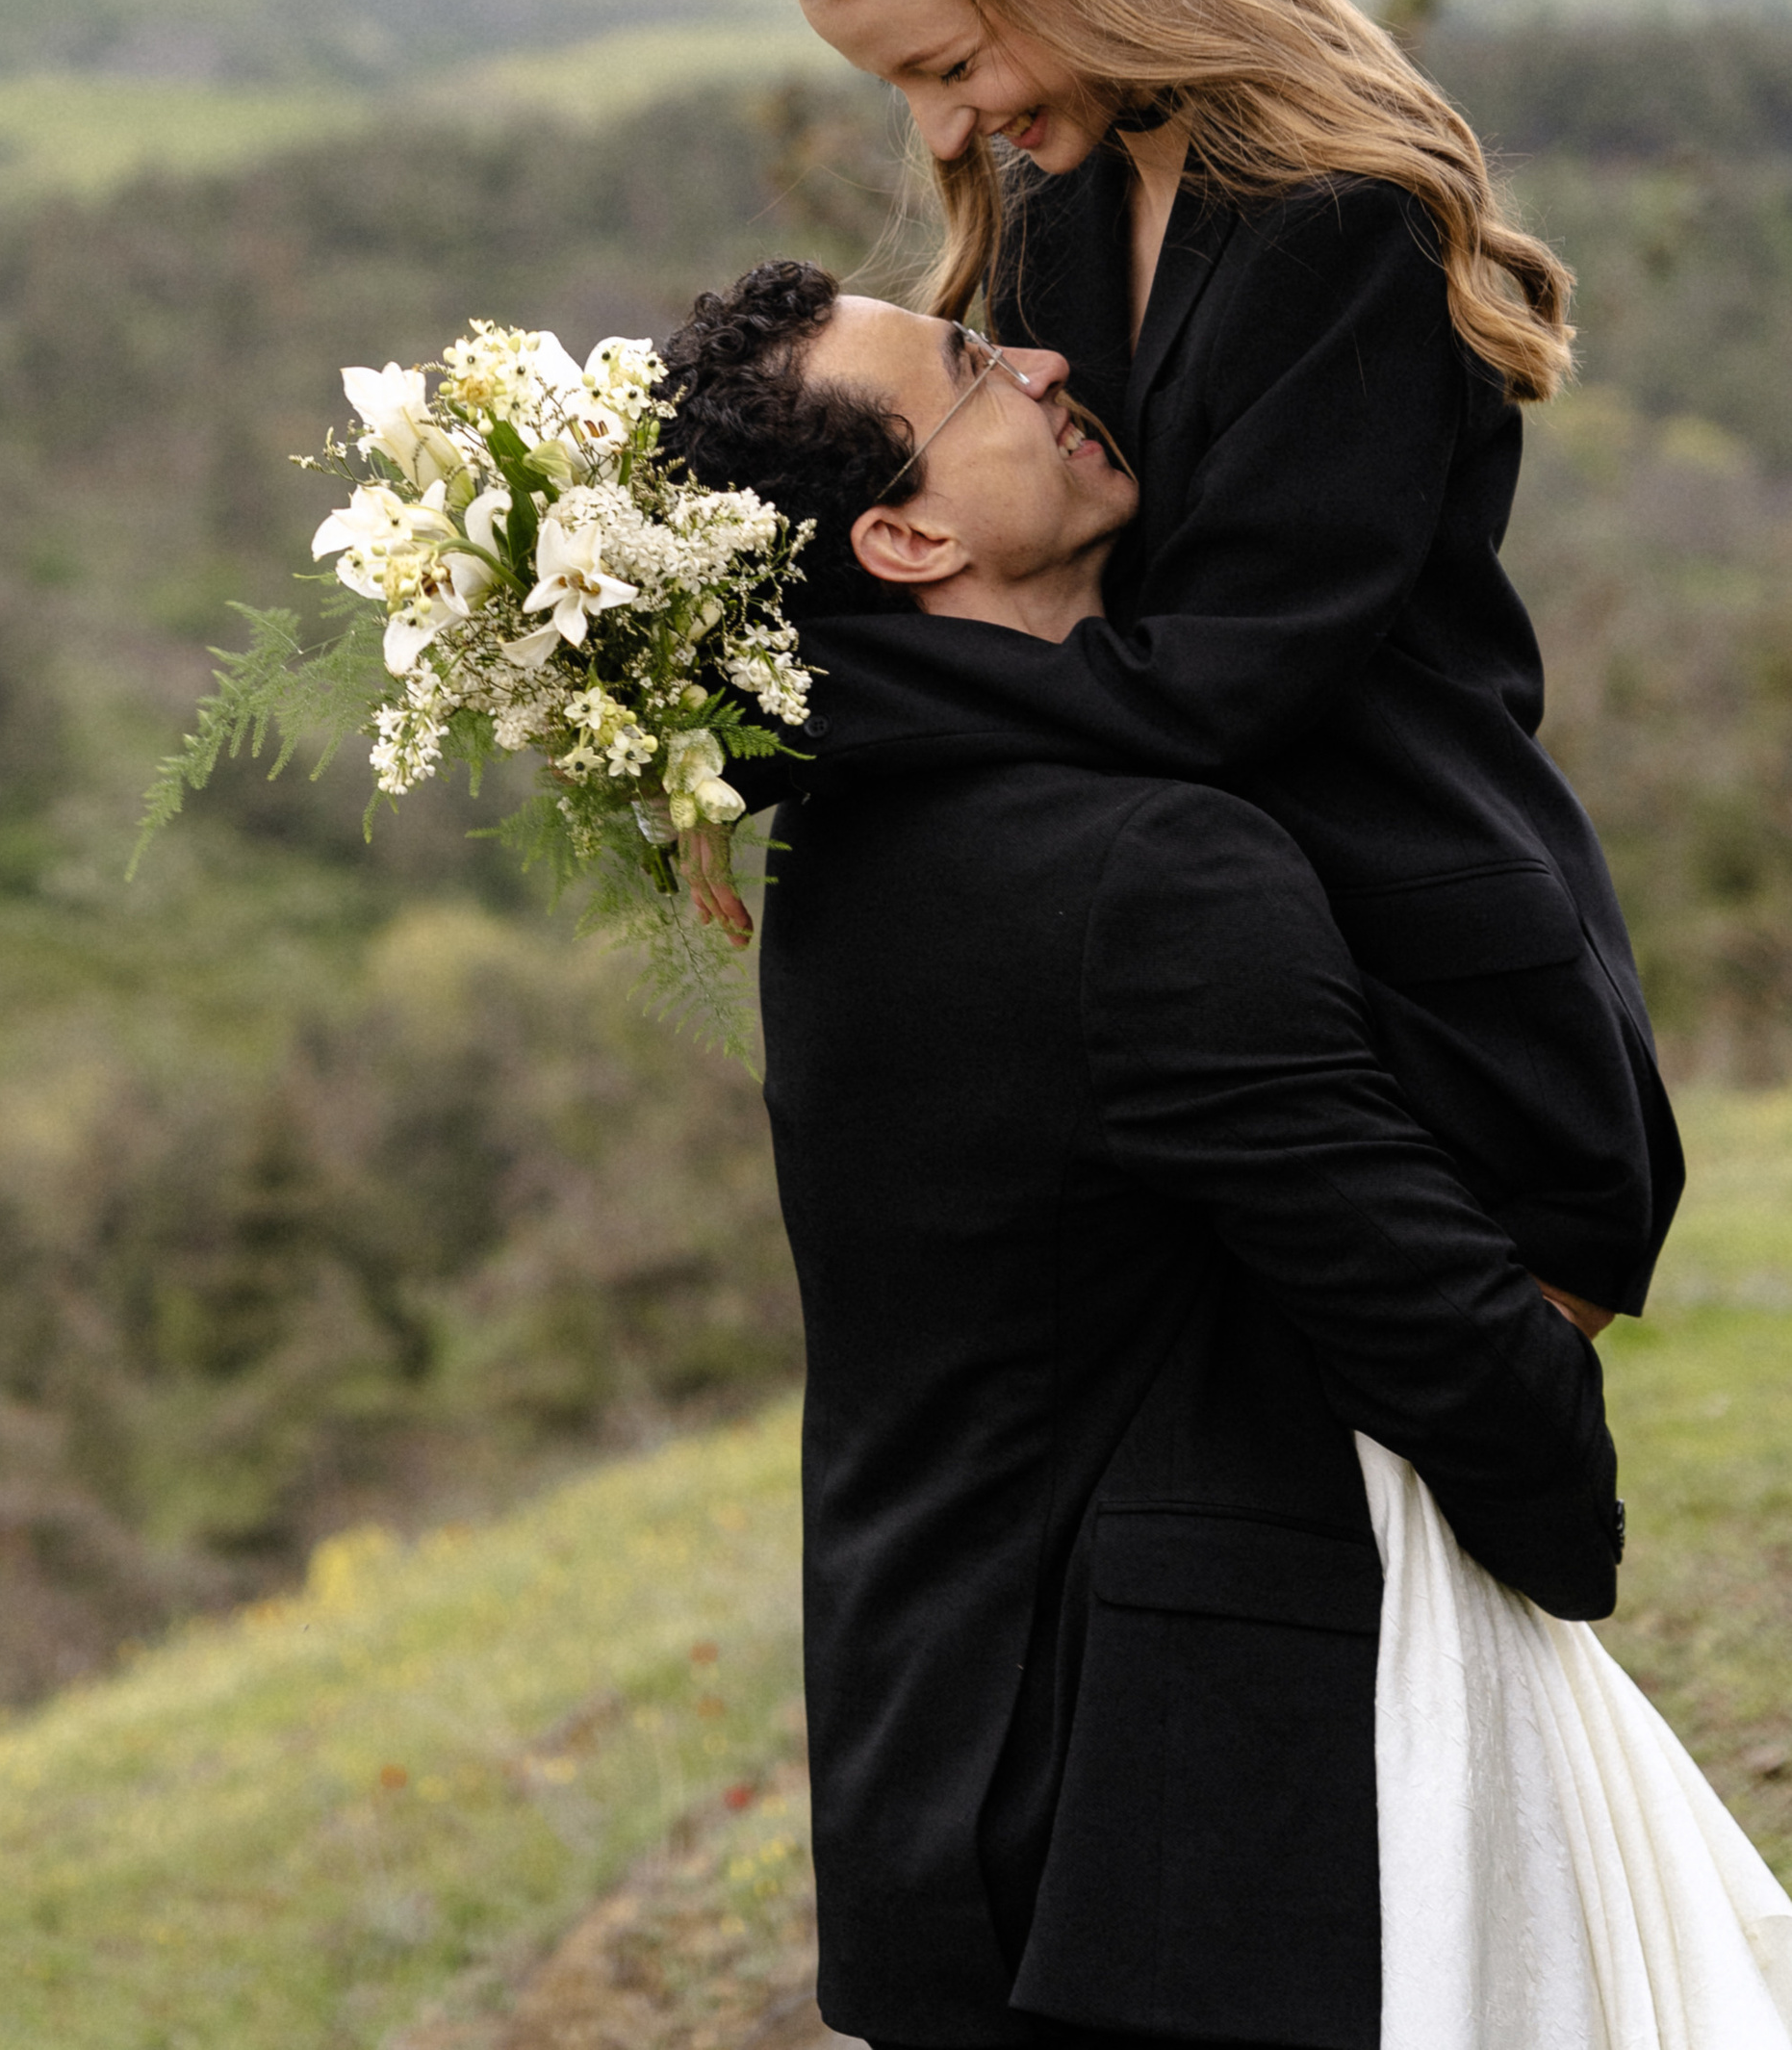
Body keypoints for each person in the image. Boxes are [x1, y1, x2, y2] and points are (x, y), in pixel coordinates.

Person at [658, 263, 1792, 2050]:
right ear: (906, 544)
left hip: (939, 1784)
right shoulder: (1145, 867)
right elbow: (1414, 1302)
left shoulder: (845, 851)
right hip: (1183, 1830)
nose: (1040, 361)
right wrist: (1556, 1520)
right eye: (970, 367)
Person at [718, 0, 1678, 1328]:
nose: (944, 130)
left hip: (1447, 1012)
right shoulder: (1065, 198)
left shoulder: (1339, 220)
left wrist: (803, 710)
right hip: (1236, 1000)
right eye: (904, 87)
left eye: (951, 66)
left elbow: (1207, 688)